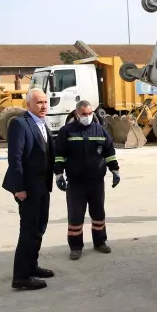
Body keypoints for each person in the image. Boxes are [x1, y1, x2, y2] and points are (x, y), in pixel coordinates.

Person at [2, 88, 55, 291]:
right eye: (39, 102)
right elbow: (15, 158)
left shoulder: (42, 123)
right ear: (28, 105)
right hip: (28, 188)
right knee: (28, 231)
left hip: (43, 186)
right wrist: (19, 188)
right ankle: (21, 277)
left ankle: (32, 266)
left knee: (39, 228)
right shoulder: (20, 123)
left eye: (45, 102)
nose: (44, 106)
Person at [54, 100, 120, 261]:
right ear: (77, 114)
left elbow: (109, 153)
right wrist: (58, 174)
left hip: (96, 182)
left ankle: (100, 242)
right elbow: (59, 154)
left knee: (98, 214)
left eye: (90, 113)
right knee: (76, 216)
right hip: (76, 182)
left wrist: (115, 171)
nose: (88, 116)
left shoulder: (101, 131)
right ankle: (76, 247)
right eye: (84, 114)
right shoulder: (67, 132)